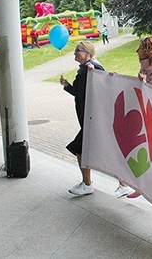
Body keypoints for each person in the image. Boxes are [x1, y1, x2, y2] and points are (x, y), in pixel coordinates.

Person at [115, 35, 152, 198]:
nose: (140, 59)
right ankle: (140, 186)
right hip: (142, 119)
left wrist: (145, 85)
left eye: (142, 56)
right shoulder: (145, 71)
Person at [61, 41, 105, 197]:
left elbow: (103, 85)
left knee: (79, 148)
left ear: (88, 53)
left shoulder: (94, 68)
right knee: (83, 150)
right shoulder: (83, 70)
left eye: (77, 50)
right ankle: (87, 183)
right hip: (87, 120)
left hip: (93, 120)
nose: (75, 53)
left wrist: (95, 73)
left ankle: (87, 184)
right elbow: (80, 93)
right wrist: (67, 86)